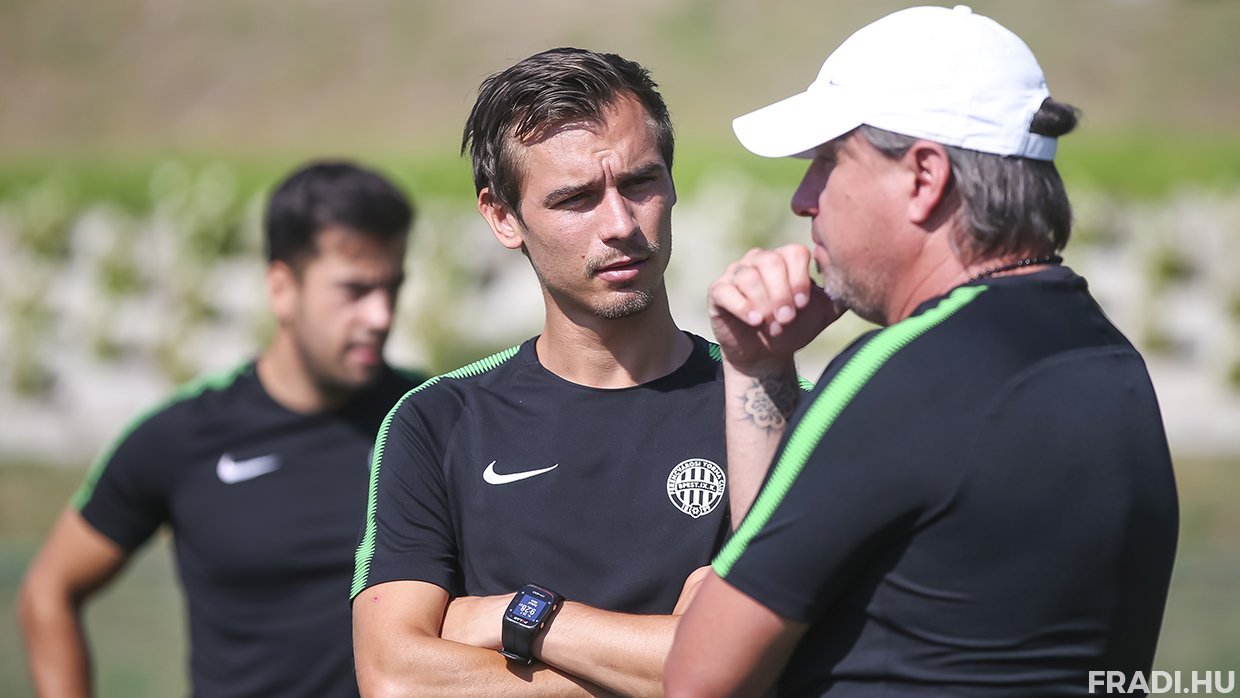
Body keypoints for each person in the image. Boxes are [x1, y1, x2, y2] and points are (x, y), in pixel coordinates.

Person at [665, 6, 1179, 697]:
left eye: (827, 161)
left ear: (925, 176)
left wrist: (540, 620)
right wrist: (759, 366)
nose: (803, 199)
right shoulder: (1108, 359)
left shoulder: (898, 373)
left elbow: (700, 677)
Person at [351, 47, 736, 697]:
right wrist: (662, 665)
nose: (620, 224)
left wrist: (516, 618)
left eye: (640, 183)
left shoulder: (771, 411)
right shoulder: (437, 422)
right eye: (576, 198)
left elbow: (746, 668)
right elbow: (395, 679)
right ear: (503, 217)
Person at [17, 161, 425, 698]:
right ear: (282, 288)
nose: (380, 315)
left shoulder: (429, 418)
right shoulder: (183, 436)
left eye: (392, 288)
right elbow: (47, 591)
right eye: (355, 290)